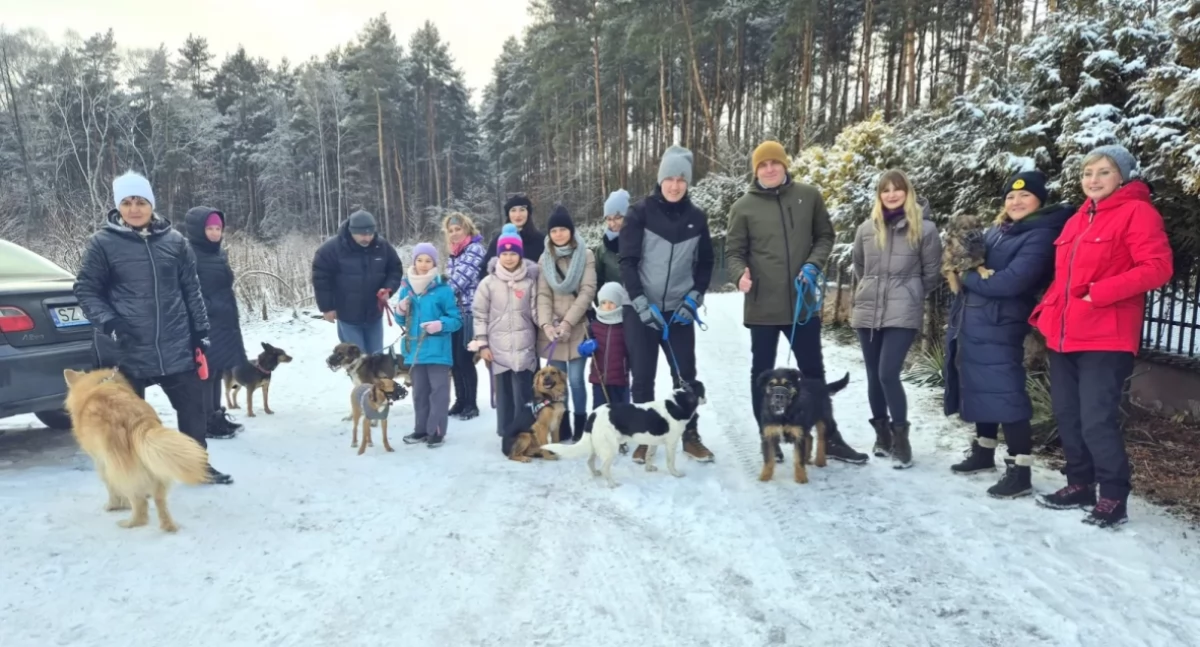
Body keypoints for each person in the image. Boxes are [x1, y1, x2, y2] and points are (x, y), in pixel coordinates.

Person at [1029, 145, 1172, 527]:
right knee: (1068, 415)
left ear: (1122, 176)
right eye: (1088, 172)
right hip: (1064, 335)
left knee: (1096, 419)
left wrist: (1101, 291)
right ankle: (1079, 484)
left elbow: (1158, 267)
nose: (1093, 179)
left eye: (1104, 172)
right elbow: (1064, 278)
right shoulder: (1079, 217)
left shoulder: (1138, 212)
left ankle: (1112, 496)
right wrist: (1047, 312)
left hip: (1106, 337)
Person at [74, 171, 232, 484]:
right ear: (119, 206)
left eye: (141, 201)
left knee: (193, 412)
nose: (134, 208)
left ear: (151, 205)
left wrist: (200, 332)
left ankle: (196, 465)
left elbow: (192, 290)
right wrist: (110, 323)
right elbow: (86, 289)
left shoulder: (175, 242)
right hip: (126, 349)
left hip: (175, 344)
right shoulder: (102, 244)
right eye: (127, 202)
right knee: (128, 419)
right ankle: (136, 471)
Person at [725, 140, 868, 464]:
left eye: (774, 163)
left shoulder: (809, 196)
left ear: (785, 165)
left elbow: (825, 237)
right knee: (761, 373)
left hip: (802, 306)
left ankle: (828, 437)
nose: (769, 169)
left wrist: (813, 264)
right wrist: (739, 275)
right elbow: (734, 252)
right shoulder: (743, 207)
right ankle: (769, 434)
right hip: (762, 305)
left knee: (813, 374)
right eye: (762, 165)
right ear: (756, 170)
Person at [943, 171, 1074, 498]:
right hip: (974, 321)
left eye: (1024, 196)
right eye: (1010, 197)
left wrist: (968, 277)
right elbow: (968, 260)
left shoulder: (1040, 235)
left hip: (1002, 323)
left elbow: (1011, 282)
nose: (1016, 202)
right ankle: (984, 450)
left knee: (1006, 392)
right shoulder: (1001, 230)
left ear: (1039, 201)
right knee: (981, 386)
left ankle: (1021, 470)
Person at [620, 144, 716, 463]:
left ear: (688, 183)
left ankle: (689, 435)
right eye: (670, 178)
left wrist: (694, 298)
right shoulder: (639, 214)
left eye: (681, 179)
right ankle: (644, 437)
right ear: (660, 179)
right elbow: (628, 261)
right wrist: (639, 302)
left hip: (679, 311)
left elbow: (705, 264)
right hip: (642, 310)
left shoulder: (697, 218)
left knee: (685, 374)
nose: (675, 185)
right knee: (643, 376)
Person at [851, 169, 942, 470]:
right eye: (885, 190)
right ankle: (882, 436)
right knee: (873, 376)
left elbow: (932, 274)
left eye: (897, 189)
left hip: (902, 312)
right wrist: (870, 290)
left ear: (907, 192)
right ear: (879, 195)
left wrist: (909, 292)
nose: (891, 194)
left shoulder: (925, 229)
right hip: (868, 310)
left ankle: (901, 438)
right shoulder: (866, 228)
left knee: (888, 373)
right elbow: (860, 267)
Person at [469, 224, 542, 447]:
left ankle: (525, 433)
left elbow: (538, 310)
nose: (509, 258)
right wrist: (482, 344)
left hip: (525, 347)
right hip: (498, 349)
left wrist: (550, 325)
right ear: (498, 255)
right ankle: (506, 432)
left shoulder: (530, 281)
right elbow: (479, 315)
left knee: (524, 394)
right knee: (505, 395)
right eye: (505, 253)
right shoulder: (488, 283)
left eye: (513, 253)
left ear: (520, 255)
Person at [183, 206, 247, 440]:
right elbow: (188, 290)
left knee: (218, 369)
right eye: (209, 228)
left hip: (224, 321)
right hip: (205, 322)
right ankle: (205, 422)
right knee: (205, 373)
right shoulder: (188, 253)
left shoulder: (218, 253)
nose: (214, 232)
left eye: (217, 228)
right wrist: (210, 308)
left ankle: (217, 414)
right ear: (198, 230)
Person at [537, 205, 598, 442]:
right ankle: (561, 427)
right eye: (554, 230)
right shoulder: (545, 258)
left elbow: (587, 291)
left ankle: (581, 424)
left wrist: (568, 323)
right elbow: (542, 294)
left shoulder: (586, 255)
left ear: (571, 231)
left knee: (574, 379)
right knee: (556, 383)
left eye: (563, 229)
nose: (559, 234)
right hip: (553, 330)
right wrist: (547, 324)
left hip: (576, 327)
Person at [393, 243, 462, 448]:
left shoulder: (443, 289)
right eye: (420, 260)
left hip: (438, 351)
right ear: (414, 261)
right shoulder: (406, 288)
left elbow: (456, 319)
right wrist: (400, 311)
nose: (423, 265)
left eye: (428, 261)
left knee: (439, 393)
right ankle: (421, 429)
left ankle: (437, 431)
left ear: (434, 263)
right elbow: (400, 322)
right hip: (415, 351)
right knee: (419, 393)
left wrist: (440, 324)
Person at [312, 209, 404, 355]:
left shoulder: (382, 247)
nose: (367, 238)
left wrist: (388, 289)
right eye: (362, 234)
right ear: (351, 231)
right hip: (348, 315)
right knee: (357, 361)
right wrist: (327, 307)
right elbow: (321, 278)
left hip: (374, 313)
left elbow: (395, 270)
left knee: (376, 360)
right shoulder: (331, 249)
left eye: (370, 233)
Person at [443, 213, 486, 420]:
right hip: (454, 314)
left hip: (470, 312)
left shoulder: (474, 249)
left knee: (464, 358)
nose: (454, 233)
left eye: (458, 229)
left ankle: (471, 403)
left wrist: (436, 295)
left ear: (467, 229)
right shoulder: (454, 253)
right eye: (450, 231)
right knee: (454, 360)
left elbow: (458, 281)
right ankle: (460, 401)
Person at [479, 194, 545, 279]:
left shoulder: (540, 240)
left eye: (522, 210)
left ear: (528, 213)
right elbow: (484, 269)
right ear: (508, 214)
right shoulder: (499, 240)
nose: (518, 215)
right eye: (513, 210)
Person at [589, 282, 631, 407]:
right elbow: (586, 344)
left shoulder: (626, 325)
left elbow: (632, 350)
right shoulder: (594, 325)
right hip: (599, 379)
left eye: (611, 302)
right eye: (603, 302)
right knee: (599, 412)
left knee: (620, 413)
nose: (607, 306)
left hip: (620, 380)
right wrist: (585, 347)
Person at [592, 189, 629, 291]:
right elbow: (597, 281)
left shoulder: (641, 242)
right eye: (609, 219)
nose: (612, 224)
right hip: (614, 304)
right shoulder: (602, 250)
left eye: (617, 218)